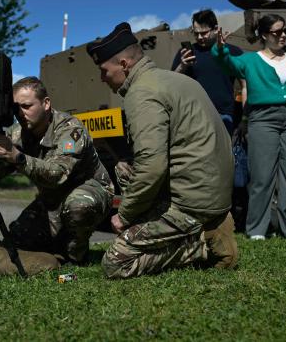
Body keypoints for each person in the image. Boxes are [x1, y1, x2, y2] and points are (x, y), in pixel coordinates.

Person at [86, 22, 238, 279]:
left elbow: (152, 165)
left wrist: (124, 216)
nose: (102, 78)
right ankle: (211, 221)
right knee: (123, 167)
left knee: (115, 263)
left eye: (104, 71)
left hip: (193, 202)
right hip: (211, 192)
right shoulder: (176, 79)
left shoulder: (141, 92)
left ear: (124, 65)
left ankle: (202, 242)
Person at [0, 77, 114, 263]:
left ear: (46, 103)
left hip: (89, 191)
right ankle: (55, 246)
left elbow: (58, 174)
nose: (20, 113)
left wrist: (17, 157)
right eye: (16, 108)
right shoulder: (17, 133)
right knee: (18, 239)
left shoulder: (70, 129)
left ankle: (76, 258)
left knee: (78, 206)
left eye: (26, 106)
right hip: (52, 198)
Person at [211, 14, 286, 240]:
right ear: (264, 35)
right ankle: (257, 229)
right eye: (277, 32)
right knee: (262, 177)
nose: (283, 35)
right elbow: (227, 64)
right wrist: (220, 49)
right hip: (262, 120)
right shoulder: (250, 60)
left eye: (285, 30)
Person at [172, 9, 246, 135]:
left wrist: (245, 118)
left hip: (224, 116)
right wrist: (182, 66)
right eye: (196, 33)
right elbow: (172, 82)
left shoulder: (232, 52)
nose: (200, 37)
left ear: (216, 29)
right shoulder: (185, 53)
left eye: (204, 33)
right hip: (193, 116)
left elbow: (246, 84)